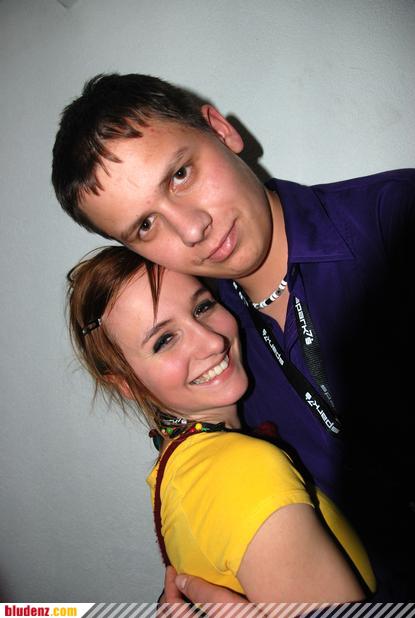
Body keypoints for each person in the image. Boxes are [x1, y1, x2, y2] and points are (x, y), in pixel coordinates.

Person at [52, 73, 415, 600]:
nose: (191, 228)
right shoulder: (213, 346)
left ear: (221, 131)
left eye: (180, 175)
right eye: (146, 226)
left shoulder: (396, 220)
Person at [67, 245, 375, 602]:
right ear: (125, 383)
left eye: (202, 307)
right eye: (164, 340)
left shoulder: (183, 468)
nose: (212, 341)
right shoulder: (241, 470)